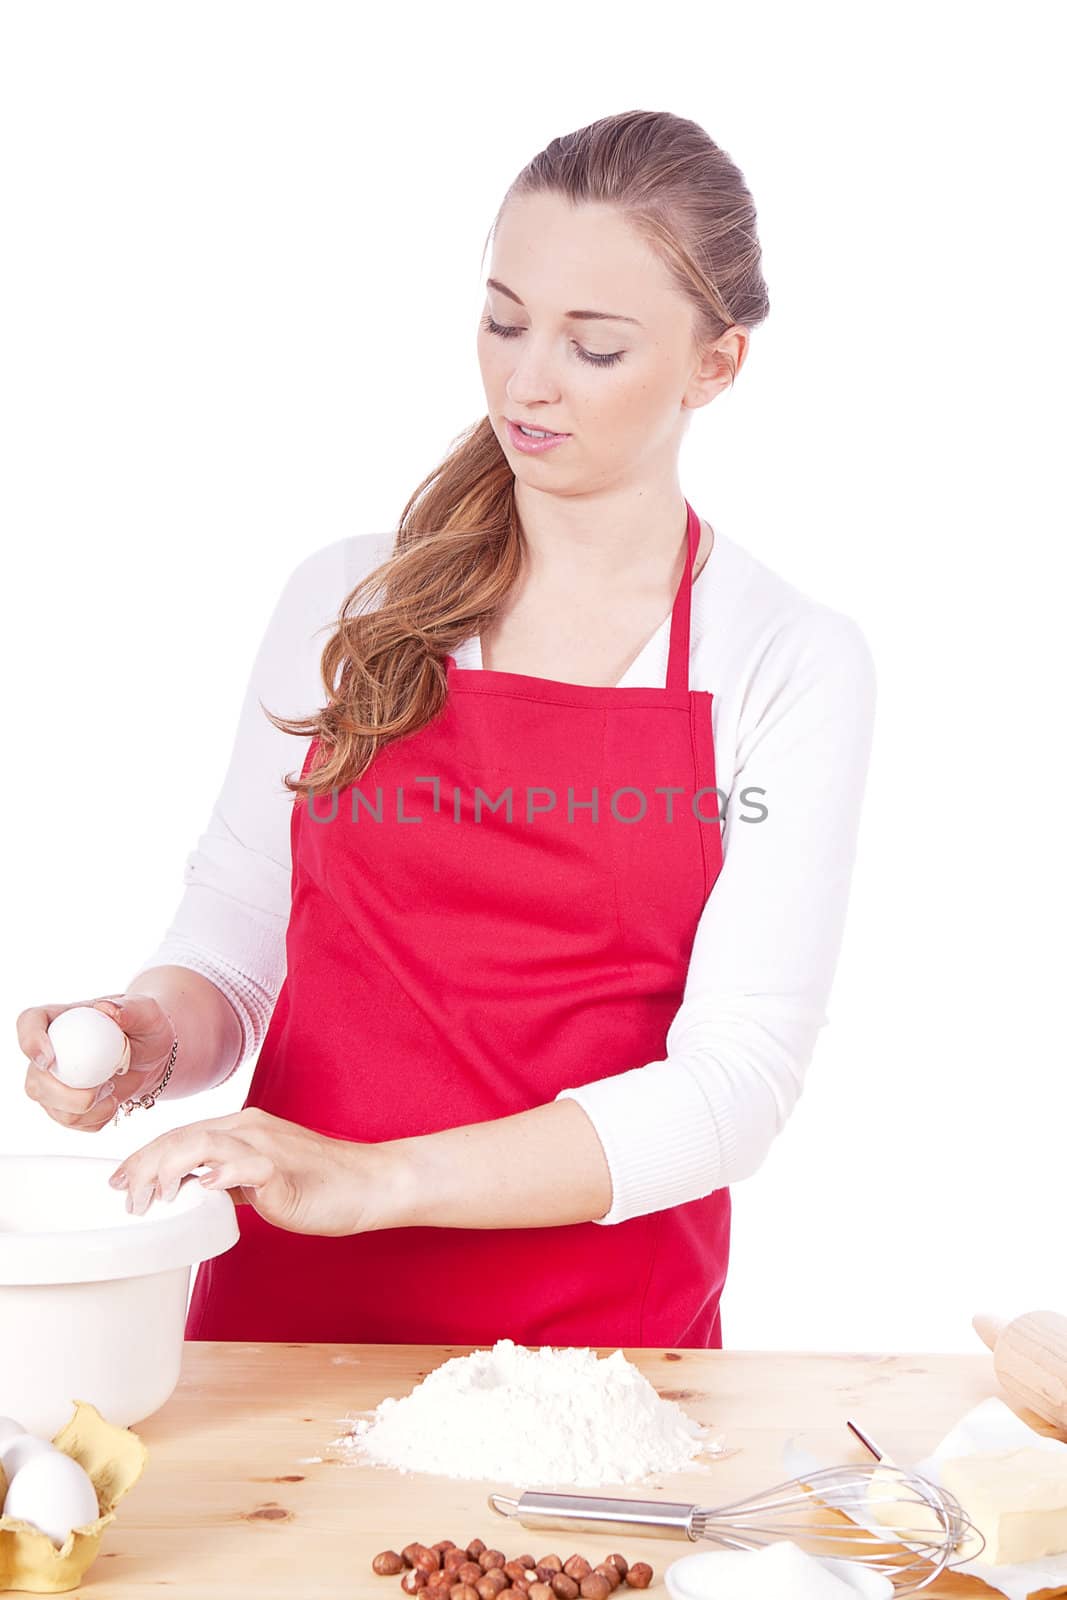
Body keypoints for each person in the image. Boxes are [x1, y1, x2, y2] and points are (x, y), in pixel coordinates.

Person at [16, 109, 876, 1349]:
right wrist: (158, 1033)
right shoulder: (352, 600)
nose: (525, 382)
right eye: (504, 318)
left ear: (714, 365)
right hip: (287, 1324)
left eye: (593, 347)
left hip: (599, 1359)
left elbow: (734, 1087)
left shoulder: (785, 659)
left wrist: (377, 1179)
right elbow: (241, 932)